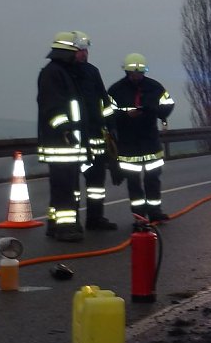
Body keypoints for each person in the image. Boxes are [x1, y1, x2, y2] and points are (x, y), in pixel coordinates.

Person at [107, 53, 175, 223]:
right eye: (133, 73)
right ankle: (139, 217)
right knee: (133, 183)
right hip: (128, 143)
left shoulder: (154, 87)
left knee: (153, 179)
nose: (137, 76)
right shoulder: (115, 90)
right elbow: (107, 113)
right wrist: (125, 116)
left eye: (140, 72)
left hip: (150, 141)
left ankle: (155, 212)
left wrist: (152, 111)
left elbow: (168, 104)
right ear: (127, 72)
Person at [36, 32, 88, 242]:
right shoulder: (53, 73)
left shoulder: (63, 72)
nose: (82, 55)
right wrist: (66, 131)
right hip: (61, 144)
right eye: (79, 51)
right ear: (69, 51)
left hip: (67, 144)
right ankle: (65, 229)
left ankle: (56, 224)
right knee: (65, 187)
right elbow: (53, 109)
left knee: (64, 187)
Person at [70, 31, 118, 231]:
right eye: (80, 50)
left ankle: (95, 218)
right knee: (70, 186)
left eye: (85, 50)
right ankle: (68, 223)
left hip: (96, 137)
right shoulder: (64, 72)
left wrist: (111, 125)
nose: (84, 54)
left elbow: (104, 101)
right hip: (73, 140)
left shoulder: (92, 71)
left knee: (96, 184)